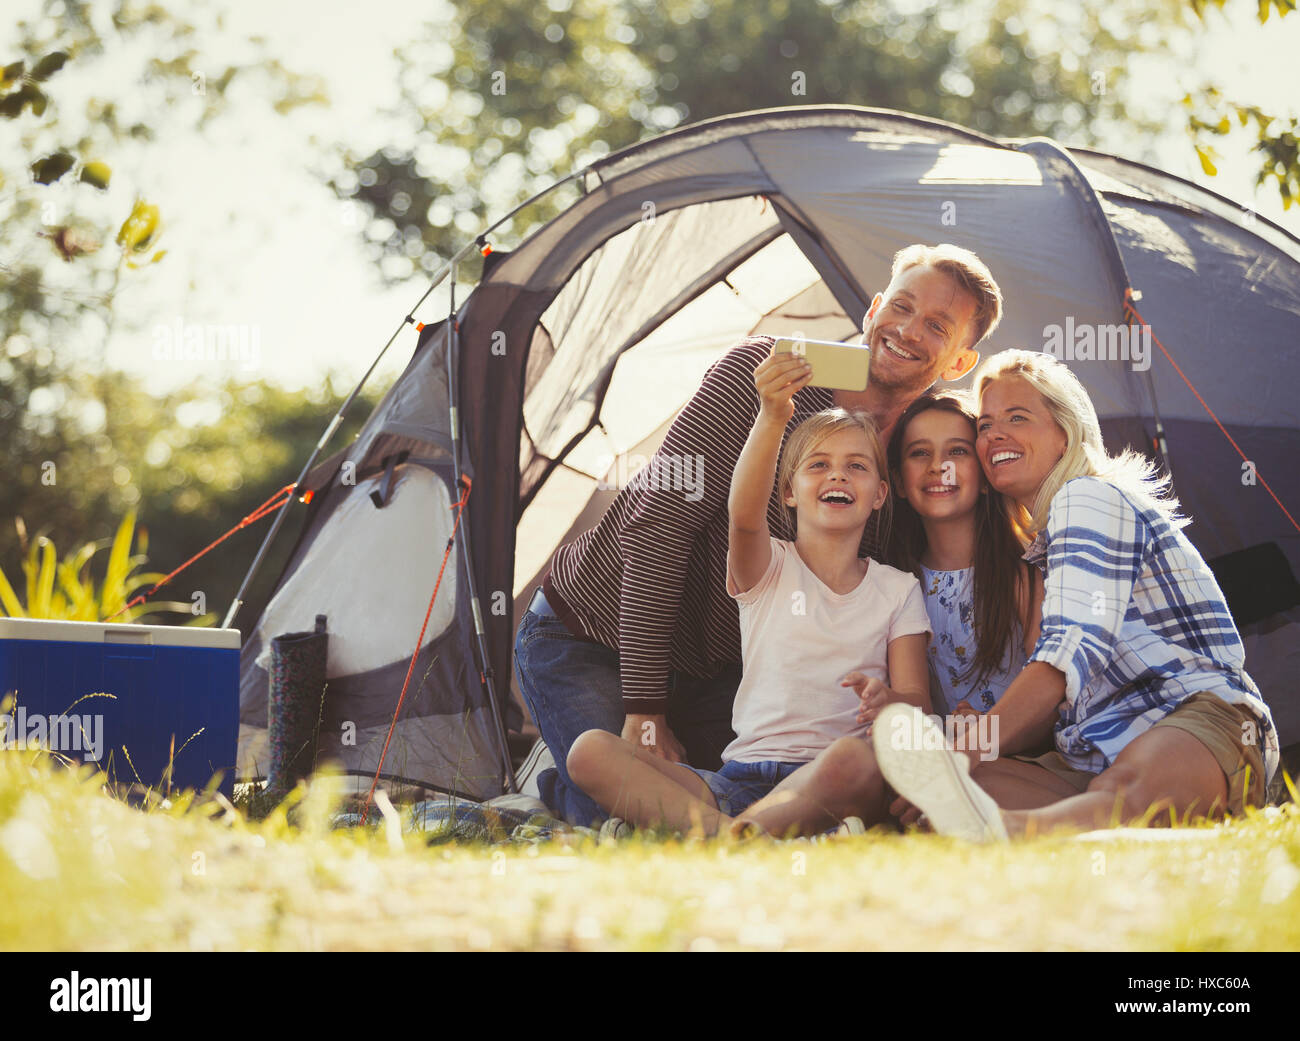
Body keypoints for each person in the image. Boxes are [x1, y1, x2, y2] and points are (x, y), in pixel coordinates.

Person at [515, 243, 1003, 826]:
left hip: (720, 672)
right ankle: (555, 778)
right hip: (598, 635)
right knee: (621, 805)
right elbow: (657, 530)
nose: (907, 330)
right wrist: (646, 708)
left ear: (957, 363)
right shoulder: (762, 376)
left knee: (745, 805)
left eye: (936, 326)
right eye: (900, 307)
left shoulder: (907, 455)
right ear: (873, 310)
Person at [873, 350, 1280, 841]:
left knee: (1115, 790)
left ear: (1064, 432)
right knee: (963, 785)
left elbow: (1064, 655)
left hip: (1190, 715)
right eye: (985, 425)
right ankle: (1038, 829)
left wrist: (966, 747)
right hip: (1089, 752)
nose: (994, 434)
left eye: (1017, 417)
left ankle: (1004, 835)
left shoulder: (1087, 497)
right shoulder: (1042, 552)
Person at [565, 362, 931, 835]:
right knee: (589, 752)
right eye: (817, 465)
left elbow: (918, 700)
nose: (837, 476)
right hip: (737, 780)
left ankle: (722, 834)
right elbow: (744, 515)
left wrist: (892, 704)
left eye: (856, 466)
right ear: (788, 493)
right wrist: (773, 415)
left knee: (854, 759)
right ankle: (737, 835)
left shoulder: (898, 589)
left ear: (880, 494)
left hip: (829, 782)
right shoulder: (768, 567)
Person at [730, 391, 1043, 838]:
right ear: (895, 482)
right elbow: (744, 520)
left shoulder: (1018, 576)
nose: (939, 466)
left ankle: (737, 833)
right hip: (918, 756)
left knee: (941, 783)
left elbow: (1048, 690)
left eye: (957, 451)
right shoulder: (901, 576)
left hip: (992, 757)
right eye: (920, 454)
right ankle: (742, 829)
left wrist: (979, 736)